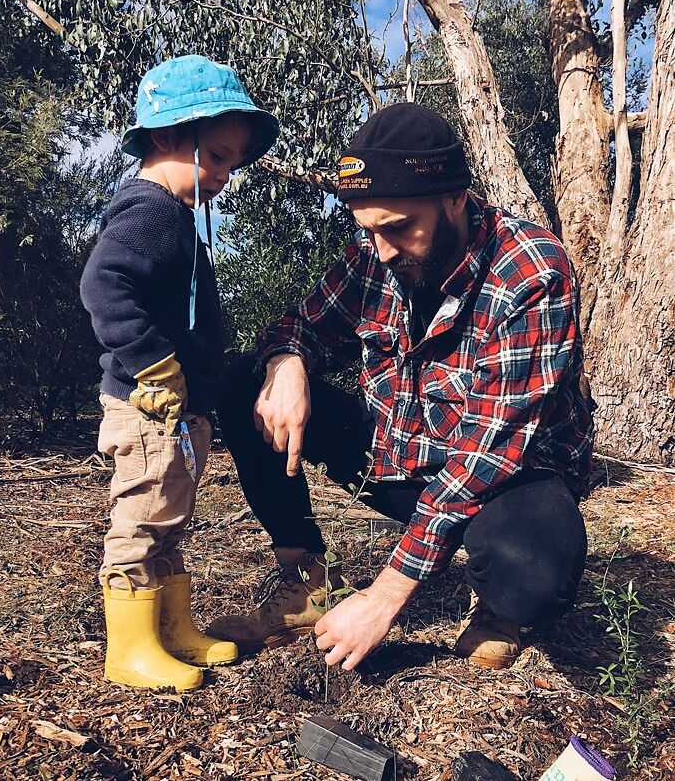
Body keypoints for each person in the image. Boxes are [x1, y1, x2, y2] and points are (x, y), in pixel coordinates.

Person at [209, 103, 594, 671]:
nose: (382, 249)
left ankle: (499, 609)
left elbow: (487, 453)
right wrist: (287, 364)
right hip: (401, 453)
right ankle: (303, 579)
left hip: (507, 474)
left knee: (536, 568)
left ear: (455, 199)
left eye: (398, 227)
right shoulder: (376, 254)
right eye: (368, 229)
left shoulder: (530, 272)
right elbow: (300, 324)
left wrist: (385, 596)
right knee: (247, 380)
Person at [80, 54, 279, 690]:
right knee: (142, 518)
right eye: (216, 156)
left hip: (175, 407)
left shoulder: (173, 215)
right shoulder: (152, 212)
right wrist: (153, 364)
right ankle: (129, 650)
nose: (224, 175)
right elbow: (103, 284)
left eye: (230, 162)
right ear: (168, 137)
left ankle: (171, 629)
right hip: (147, 406)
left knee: (169, 514)